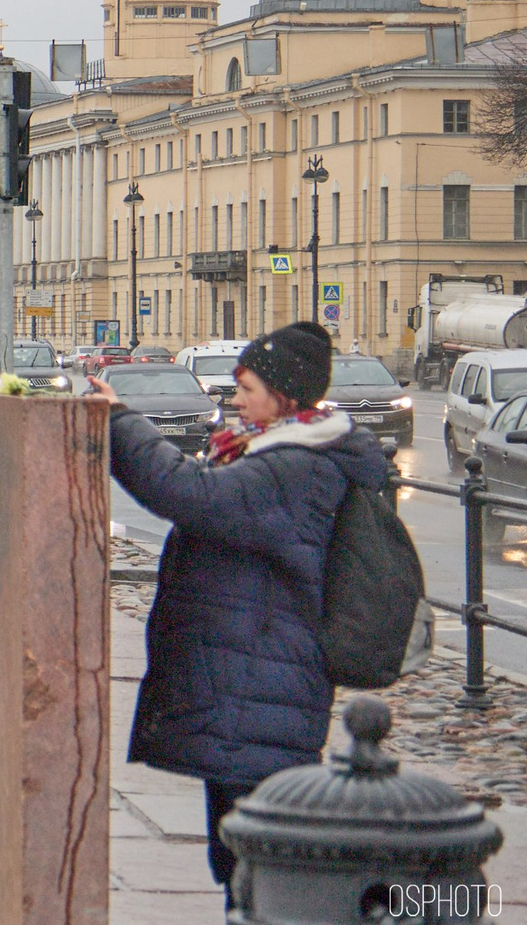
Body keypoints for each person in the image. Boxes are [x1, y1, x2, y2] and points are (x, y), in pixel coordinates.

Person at [89, 320, 382, 908]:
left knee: (256, 857)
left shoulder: (295, 465)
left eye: (246, 388)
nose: (234, 399)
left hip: (265, 679)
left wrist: (119, 421)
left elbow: (191, 495)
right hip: (250, 676)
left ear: (287, 397)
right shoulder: (272, 449)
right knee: (239, 851)